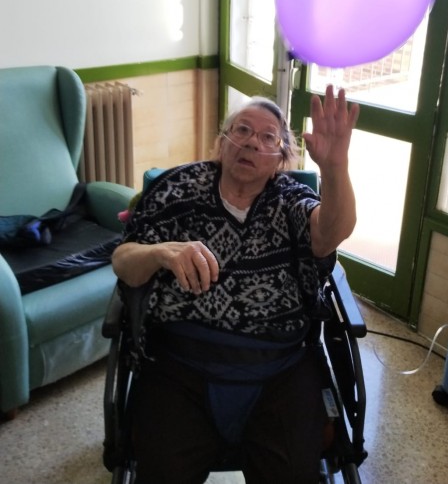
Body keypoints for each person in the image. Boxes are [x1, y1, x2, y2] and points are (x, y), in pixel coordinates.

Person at [112, 84, 359, 484]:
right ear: (222, 142)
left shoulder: (290, 199)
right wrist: (162, 253)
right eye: (242, 130)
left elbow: (331, 233)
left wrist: (335, 168)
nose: (252, 142)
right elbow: (123, 262)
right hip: (180, 365)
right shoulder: (175, 189)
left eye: (268, 137)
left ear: (281, 159)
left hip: (280, 367)